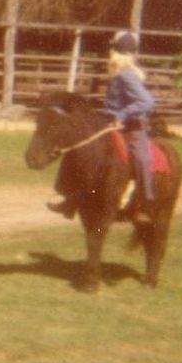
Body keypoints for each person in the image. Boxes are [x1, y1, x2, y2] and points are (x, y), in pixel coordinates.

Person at [47, 30, 156, 222]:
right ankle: (69, 199)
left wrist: (122, 115)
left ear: (116, 51)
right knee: (78, 147)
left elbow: (147, 102)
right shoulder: (118, 73)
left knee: (142, 159)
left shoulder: (126, 75)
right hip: (111, 124)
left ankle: (144, 205)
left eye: (111, 48)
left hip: (132, 127)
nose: (108, 52)